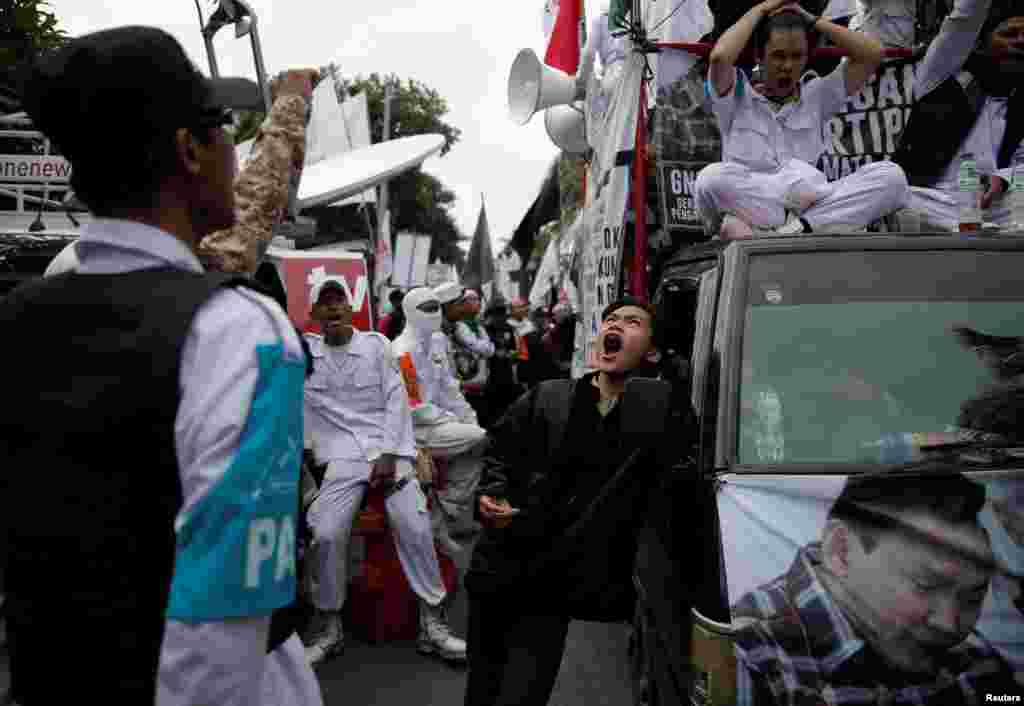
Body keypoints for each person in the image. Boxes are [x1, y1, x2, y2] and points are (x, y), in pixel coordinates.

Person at [0, 26, 308, 705]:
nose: (236, 149)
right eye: (224, 127)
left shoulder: (17, 319)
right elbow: (220, 632)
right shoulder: (241, 334)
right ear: (189, 151)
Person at [463, 297, 686, 706]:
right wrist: (491, 495)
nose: (616, 325)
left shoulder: (656, 411)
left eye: (633, 322)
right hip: (496, 568)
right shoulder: (550, 396)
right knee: (481, 689)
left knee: (522, 694)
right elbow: (499, 449)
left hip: (552, 584)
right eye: (611, 320)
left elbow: (676, 469)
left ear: (651, 350)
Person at [732, 468, 1018, 704]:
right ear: (841, 551)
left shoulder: (975, 659)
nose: (949, 624)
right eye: (926, 585)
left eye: (973, 597)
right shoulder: (748, 655)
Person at [301, 279, 465, 666]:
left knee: (414, 523)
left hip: (388, 449)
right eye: (324, 303)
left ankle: (432, 621)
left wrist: (392, 454)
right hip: (341, 458)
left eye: (339, 299)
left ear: (350, 306)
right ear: (314, 314)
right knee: (325, 532)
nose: (333, 308)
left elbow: (397, 401)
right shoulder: (306, 353)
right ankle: (329, 627)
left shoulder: (376, 346)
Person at [694, 0, 908, 237]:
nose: (787, 66)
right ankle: (791, 227)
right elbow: (720, 57)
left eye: (797, 56)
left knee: (892, 178)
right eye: (778, 56)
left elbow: (872, 54)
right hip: (757, 203)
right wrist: (761, 9)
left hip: (809, 205)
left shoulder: (817, 94)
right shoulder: (735, 95)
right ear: (759, 56)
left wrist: (812, 20)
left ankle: (791, 230)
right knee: (710, 180)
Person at [895, 0, 1024, 232]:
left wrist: (1004, 178)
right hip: (936, 202)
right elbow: (964, 19)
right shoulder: (941, 76)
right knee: (888, 186)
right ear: (981, 42)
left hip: (995, 208)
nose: (1021, 41)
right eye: (1010, 34)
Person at [392, 287, 487, 558]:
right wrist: (453, 420)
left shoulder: (436, 342)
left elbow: (449, 387)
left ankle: (441, 518)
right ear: (410, 311)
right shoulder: (402, 352)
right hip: (415, 428)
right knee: (477, 439)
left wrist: (467, 417)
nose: (434, 313)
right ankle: (447, 507)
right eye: (426, 308)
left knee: (478, 437)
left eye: (436, 307)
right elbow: (414, 406)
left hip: (439, 424)